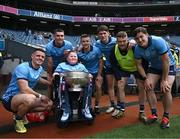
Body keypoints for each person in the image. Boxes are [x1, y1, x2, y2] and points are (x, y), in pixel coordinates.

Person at [2, 48, 53, 133]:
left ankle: (21, 113)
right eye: (38, 56)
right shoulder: (23, 67)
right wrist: (40, 96)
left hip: (25, 97)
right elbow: (24, 89)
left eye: (42, 57)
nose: (40, 58)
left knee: (49, 104)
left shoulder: (39, 68)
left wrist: (49, 83)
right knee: (31, 98)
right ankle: (18, 120)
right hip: (10, 99)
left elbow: (37, 78)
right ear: (32, 56)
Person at [133, 27, 176, 129]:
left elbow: (166, 61)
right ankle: (154, 114)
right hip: (155, 67)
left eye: (141, 37)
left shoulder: (158, 41)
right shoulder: (137, 49)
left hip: (168, 66)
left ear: (147, 35)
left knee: (166, 89)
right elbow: (138, 65)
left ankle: (166, 117)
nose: (139, 40)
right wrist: (145, 79)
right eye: (137, 38)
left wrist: (164, 80)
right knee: (147, 86)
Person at [109, 31, 147, 121]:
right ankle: (122, 109)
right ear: (116, 42)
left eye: (124, 41)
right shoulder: (113, 49)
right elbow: (113, 64)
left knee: (141, 87)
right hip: (124, 69)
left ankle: (142, 111)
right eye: (120, 41)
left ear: (128, 40)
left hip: (137, 68)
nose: (122, 43)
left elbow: (144, 61)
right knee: (120, 85)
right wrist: (118, 78)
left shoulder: (134, 47)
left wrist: (144, 76)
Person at [53, 51, 93, 122]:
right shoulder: (61, 65)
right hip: (66, 84)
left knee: (89, 83)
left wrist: (89, 75)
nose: (73, 57)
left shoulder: (81, 66)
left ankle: (85, 108)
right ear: (67, 58)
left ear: (77, 58)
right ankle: (66, 110)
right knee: (62, 83)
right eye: (71, 56)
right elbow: (55, 73)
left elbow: (87, 73)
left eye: (75, 56)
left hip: (80, 83)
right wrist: (58, 74)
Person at [77, 34, 103, 114]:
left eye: (87, 41)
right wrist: (76, 50)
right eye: (83, 41)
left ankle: (96, 106)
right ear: (81, 42)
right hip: (85, 74)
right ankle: (83, 105)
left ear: (90, 41)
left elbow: (101, 62)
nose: (85, 43)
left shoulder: (96, 50)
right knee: (82, 90)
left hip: (95, 72)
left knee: (98, 87)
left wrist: (99, 75)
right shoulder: (78, 53)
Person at [45, 29, 73, 98]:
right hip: (54, 66)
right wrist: (50, 75)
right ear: (54, 36)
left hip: (65, 66)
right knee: (50, 84)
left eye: (62, 36)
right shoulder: (49, 46)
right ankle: (49, 100)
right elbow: (49, 62)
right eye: (58, 36)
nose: (60, 37)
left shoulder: (69, 45)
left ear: (64, 37)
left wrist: (67, 55)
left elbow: (71, 58)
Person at [95, 25, 116, 114]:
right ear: (98, 35)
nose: (103, 35)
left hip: (119, 66)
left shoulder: (116, 41)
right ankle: (113, 105)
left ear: (108, 34)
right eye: (101, 34)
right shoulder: (97, 44)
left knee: (119, 86)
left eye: (104, 33)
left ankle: (120, 106)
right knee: (110, 87)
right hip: (108, 66)